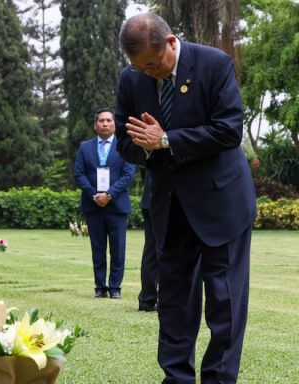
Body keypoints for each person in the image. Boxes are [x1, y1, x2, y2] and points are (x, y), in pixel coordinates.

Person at [115, 13, 257, 384]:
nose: (147, 72)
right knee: (175, 301)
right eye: (139, 66)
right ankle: (176, 379)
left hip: (221, 203)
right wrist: (145, 147)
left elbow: (228, 131)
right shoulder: (132, 79)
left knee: (225, 303)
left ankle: (219, 379)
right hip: (170, 205)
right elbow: (125, 143)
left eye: (152, 63)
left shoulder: (214, 64)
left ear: (171, 43)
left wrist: (166, 140)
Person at [74, 108, 136, 300]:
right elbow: (79, 174)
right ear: (95, 125)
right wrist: (95, 195)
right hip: (93, 206)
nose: (105, 123)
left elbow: (128, 175)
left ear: (114, 124)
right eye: (101, 120)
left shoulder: (125, 145)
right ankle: (100, 287)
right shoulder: (85, 147)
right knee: (98, 248)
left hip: (117, 206)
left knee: (118, 249)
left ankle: (115, 287)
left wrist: (108, 195)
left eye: (109, 120)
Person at [138, 167, 158, 312]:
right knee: (170, 249)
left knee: (150, 250)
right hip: (166, 197)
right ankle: (166, 298)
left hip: (149, 197)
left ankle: (147, 298)